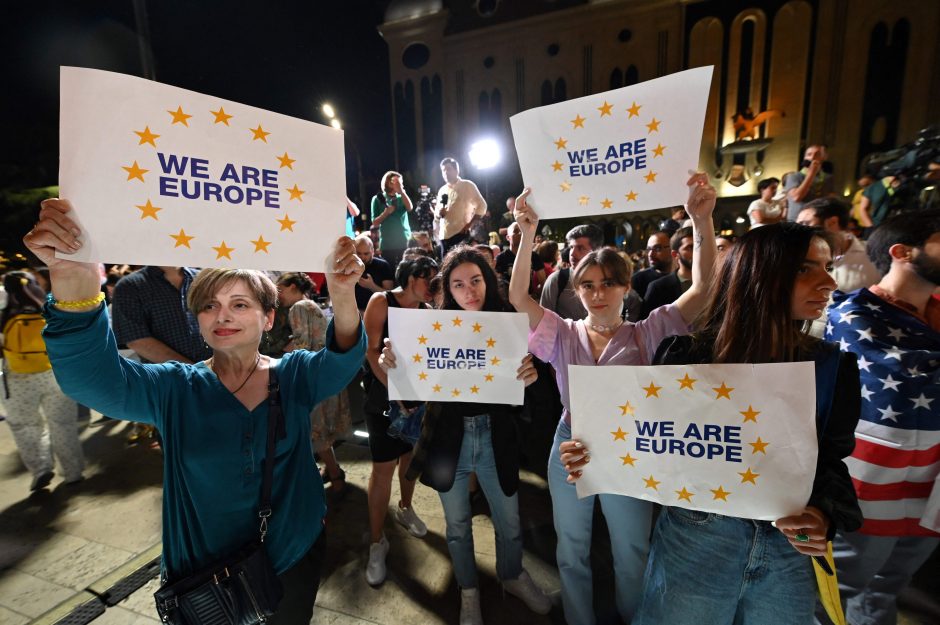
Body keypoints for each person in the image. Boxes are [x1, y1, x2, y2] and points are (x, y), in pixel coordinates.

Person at [26, 198, 366, 624]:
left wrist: (342, 293)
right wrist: (74, 281)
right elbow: (90, 380)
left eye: (240, 304)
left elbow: (342, 361)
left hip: (293, 557)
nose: (222, 315)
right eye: (209, 305)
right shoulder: (175, 386)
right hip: (204, 577)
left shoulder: (294, 375)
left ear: (267, 318)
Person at [575, 222, 862, 625]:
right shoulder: (683, 358)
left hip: (787, 549)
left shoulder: (833, 367)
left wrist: (822, 513)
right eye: (805, 269)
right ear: (757, 275)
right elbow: (652, 442)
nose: (829, 281)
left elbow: (833, 459)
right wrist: (594, 452)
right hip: (696, 541)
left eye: (827, 266)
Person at [509, 175, 718, 625]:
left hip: (632, 448)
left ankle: (633, 617)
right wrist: (527, 235)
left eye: (608, 283)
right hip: (572, 443)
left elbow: (702, 290)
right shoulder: (562, 333)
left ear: (626, 287)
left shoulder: (649, 331)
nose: (597, 293)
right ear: (576, 291)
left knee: (632, 551)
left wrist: (702, 221)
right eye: (587, 285)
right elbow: (516, 296)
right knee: (571, 550)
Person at [380, 246, 552, 625]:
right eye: (458, 284)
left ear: (487, 281)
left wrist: (532, 375)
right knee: (456, 526)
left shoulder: (508, 321)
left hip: (496, 436)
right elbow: (413, 383)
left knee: (508, 519)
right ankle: (468, 589)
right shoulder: (434, 327)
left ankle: (513, 575)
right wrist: (394, 362)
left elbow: (535, 390)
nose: (469, 290)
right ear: (448, 289)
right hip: (448, 439)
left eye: (475, 280)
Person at [824, 209, 940, 625]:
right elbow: (908, 372)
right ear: (902, 251)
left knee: (889, 585)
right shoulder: (853, 315)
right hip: (875, 486)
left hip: (932, 485)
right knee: (841, 589)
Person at [361, 256, 438, 585]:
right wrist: (394, 389)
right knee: (382, 469)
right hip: (384, 401)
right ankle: (376, 542)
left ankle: (405, 508)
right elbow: (369, 350)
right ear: (411, 277)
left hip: (417, 402)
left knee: (409, 461)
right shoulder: (382, 302)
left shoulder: (428, 313)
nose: (433, 287)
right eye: (428, 280)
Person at [1, 270, 84, 490]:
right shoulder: (49, 304)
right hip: (54, 374)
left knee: (25, 425)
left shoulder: (4, 310)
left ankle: (41, 468)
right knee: (62, 424)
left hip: (17, 378)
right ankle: (73, 471)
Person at [288, 299, 352, 496]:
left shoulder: (297, 307)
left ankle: (335, 476)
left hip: (311, 375)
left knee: (315, 432)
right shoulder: (311, 303)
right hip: (326, 369)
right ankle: (333, 471)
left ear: (291, 287)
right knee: (321, 431)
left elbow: (302, 343)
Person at [639, 226, 695, 320]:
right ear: (675, 254)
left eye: (701, 246)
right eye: (690, 248)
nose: (698, 252)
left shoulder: (715, 282)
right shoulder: (657, 288)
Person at [436, 158, 487, 256]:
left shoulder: (467, 185)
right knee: (446, 268)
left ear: (456, 170)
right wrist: (440, 213)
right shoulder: (442, 190)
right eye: (443, 170)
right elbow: (437, 215)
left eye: (449, 169)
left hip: (460, 234)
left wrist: (469, 224)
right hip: (444, 236)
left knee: (461, 264)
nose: (446, 172)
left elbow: (482, 206)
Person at [262, 272, 315, 357]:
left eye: (280, 290)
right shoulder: (309, 305)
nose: (278, 295)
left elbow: (302, 345)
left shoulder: (299, 307)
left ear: (292, 287)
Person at [370, 171, 414, 270]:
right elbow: (375, 222)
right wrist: (386, 213)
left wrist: (402, 191)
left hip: (404, 240)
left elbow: (410, 208)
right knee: (390, 271)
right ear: (388, 182)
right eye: (397, 182)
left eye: (401, 182)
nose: (400, 184)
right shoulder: (377, 199)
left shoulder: (401, 197)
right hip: (387, 244)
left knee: (406, 271)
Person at [785, 144, 835, 221]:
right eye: (809, 154)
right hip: (797, 219)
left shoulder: (828, 178)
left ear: (823, 158)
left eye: (817, 154)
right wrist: (811, 174)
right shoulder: (794, 176)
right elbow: (796, 197)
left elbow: (830, 199)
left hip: (818, 219)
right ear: (805, 158)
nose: (812, 157)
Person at [354, 234, 395, 313]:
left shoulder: (383, 265)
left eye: (366, 253)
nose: (362, 257)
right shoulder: (349, 265)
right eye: (359, 253)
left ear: (372, 251)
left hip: (376, 312)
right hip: (353, 312)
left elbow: (390, 296)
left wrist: (371, 286)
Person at [631, 231, 672, 297]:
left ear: (672, 249)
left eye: (657, 248)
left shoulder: (685, 278)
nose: (650, 254)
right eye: (649, 249)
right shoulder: (637, 280)